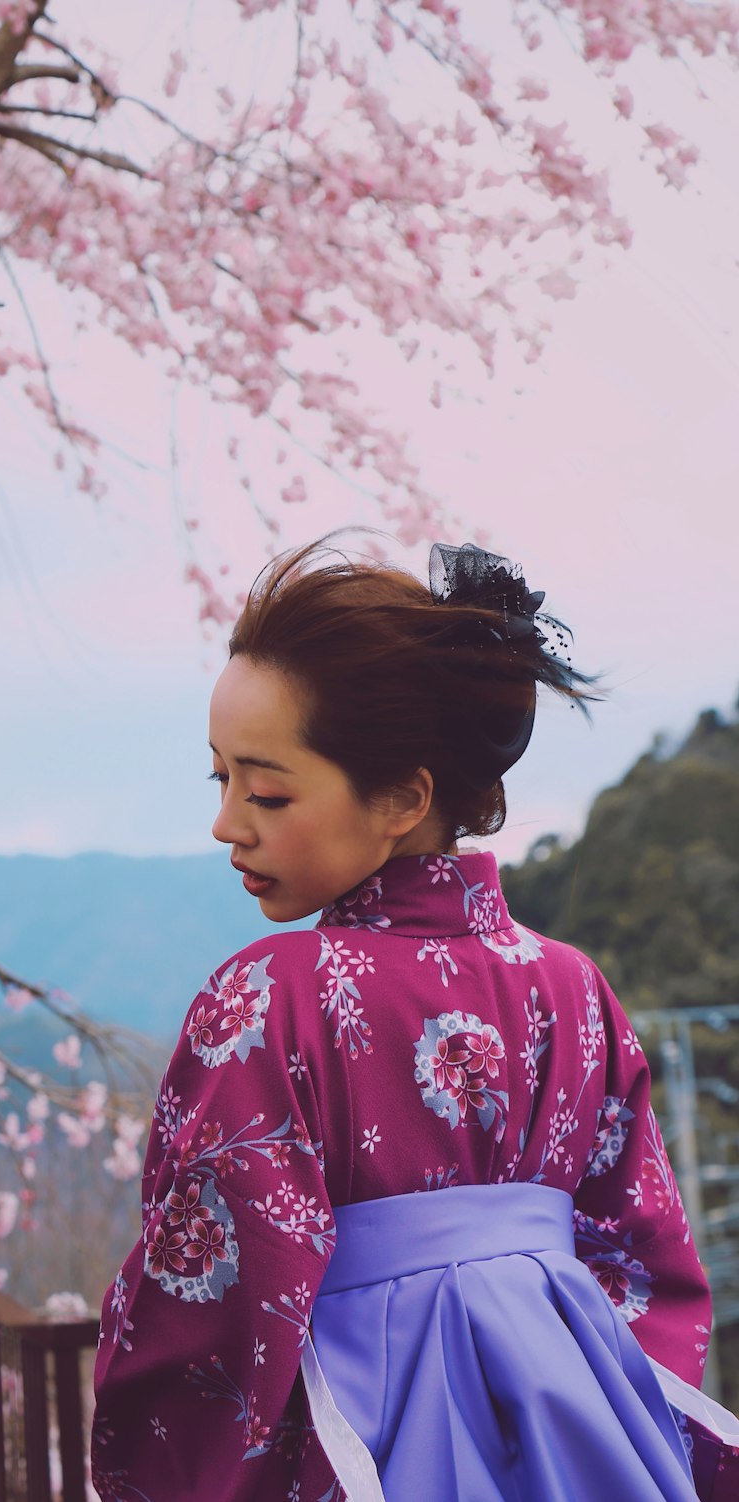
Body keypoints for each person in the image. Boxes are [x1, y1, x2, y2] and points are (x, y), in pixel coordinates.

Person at [91, 539, 738, 1501]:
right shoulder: (573, 988)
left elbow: (217, 1310)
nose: (229, 822)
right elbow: (643, 1264)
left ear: (401, 797)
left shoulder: (272, 997)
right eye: (219, 779)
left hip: (365, 1443)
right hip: (581, 1439)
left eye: (265, 789)